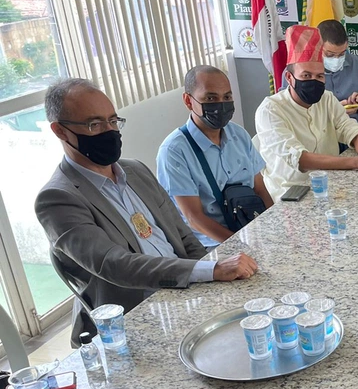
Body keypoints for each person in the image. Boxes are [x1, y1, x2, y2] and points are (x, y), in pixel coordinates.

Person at [35, 79, 258, 346]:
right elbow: (115, 264)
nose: (109, 131)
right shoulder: (57, 198)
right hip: (135, 320)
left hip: (185, 294)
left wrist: (212, 279)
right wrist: (207, 271)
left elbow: (183, 237)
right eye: (95, 125)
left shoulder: (136, 170)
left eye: (113, 121)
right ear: (60, 131)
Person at [255, 25, 358, 197]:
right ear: (289, 78)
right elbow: (300, 159)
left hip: (331, 184)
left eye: (320, 76)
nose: (314, 81)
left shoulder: (327, 99)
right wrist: (357, 162)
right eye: (306, 76)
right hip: (291, 192)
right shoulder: (270, 110)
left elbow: (351, 129)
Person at [156, 65, 273, 248]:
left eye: (227, 97)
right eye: (211, 98)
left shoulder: (238, 135)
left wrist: (273, 229)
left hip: (252, 230)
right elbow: (194, 218)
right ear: (188, 101)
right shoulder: (174, 151)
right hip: (212, 245)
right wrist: (241, 245)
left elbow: (260, 190)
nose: (221, 105)